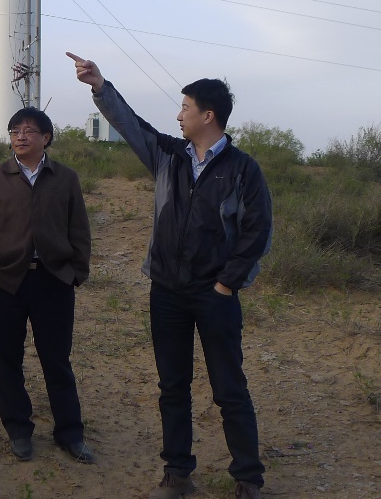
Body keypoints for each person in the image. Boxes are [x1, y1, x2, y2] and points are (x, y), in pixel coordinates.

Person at [67, 52, 271, 499]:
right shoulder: (169, 155)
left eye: (185, 107)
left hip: (215, 296)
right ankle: (177, 473)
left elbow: (257, 232)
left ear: (207, 115)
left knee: (229, 388)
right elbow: (131, 125)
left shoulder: (242, 169)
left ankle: (248, 479)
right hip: (167, 292)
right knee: (172, 387)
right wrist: (101, 87)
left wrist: (226, 284)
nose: (179, 116)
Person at [0, 106, 95, 465]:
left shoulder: (65, 178)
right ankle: (19, 430)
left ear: (46, 138)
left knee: (57, 360)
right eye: (15, 131)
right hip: (5, 282)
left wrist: (76, 272)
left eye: (29, 131)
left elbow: (79, 229)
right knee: (6, 359)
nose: (20, 137)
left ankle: (70, 433)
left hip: (53, 280)